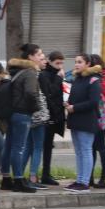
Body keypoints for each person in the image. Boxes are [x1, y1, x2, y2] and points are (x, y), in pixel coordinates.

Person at [0, 44, 42, 193]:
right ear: (30, 57)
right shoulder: (30, 72)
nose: (41, 57)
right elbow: (31, 93)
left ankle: (6, 178)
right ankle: (18, 179)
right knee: (19, 148)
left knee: (9, 146)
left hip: (12, 113)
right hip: (23, 113)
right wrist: (37, 107)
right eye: (38, 55)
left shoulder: (15, 71)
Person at [64, 54, 102, 193]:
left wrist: (75, 107)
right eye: (75, 62)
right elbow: (76, 97)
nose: (76, 64)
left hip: (87, 120)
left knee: (86, 150)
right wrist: (68, 103)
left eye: (80, 62)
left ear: (88, 64)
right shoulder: (78, 79)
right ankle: (79, 180)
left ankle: (85, 182)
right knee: (79, 152)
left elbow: (93, 102)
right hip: (75, 120)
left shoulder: (93, 80)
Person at [22, 50, 51, 190]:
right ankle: (33, 177)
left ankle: (19, 176)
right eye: (41, 57)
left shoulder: (25, 73)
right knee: (37, 147)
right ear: (32, 58)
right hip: (38, 116)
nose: (44, 60)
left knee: (27, 147)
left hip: (30, 115)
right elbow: (42, 96)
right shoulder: (37, 75)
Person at [40, 51, 65, 186]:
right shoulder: (45, 75)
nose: (60, 66)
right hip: (48, 116)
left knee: (48, 146)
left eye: (61, 63)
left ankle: (46, 173)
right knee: (43, 146)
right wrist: (59, 78)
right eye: (57, 63)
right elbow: (49, 93)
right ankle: (41, 174)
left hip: (54, 116)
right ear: (50, 61)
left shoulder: (56, 75)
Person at [90, 54, 105, 189]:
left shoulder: (102, 80)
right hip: (95, 117)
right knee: (92, 147)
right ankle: (90, 176)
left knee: (100, 147)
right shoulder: (101, 78)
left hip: (101, 118)